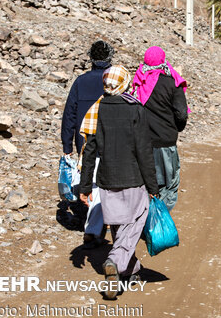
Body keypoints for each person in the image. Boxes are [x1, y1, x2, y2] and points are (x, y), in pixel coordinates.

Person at [79, 65, 158, 300]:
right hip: (133, 178)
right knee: (134, 222)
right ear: (125, 82)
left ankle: (131, 268)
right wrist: (153, 186)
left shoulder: (96, 109)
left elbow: (89, 151)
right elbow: (143, 151)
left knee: (117, 226)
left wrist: (85, 187)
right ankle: (114, 261)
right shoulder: (135, 109)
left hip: (106, 179)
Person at [61, 40, 113, 248]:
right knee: (105, 183)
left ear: (90, 58)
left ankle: (94, 224)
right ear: (110, 58)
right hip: (109, 139)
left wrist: (67, 145)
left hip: (83, 140)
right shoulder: (113, 82)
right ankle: (95, 227)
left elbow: (69, 116)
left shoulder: (80, 82)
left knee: (90, 180)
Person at [132, 46, 188, 211]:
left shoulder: (139, 81)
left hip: (142, 142)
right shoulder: (172, 83)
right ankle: (159, 222)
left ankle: (144, 217)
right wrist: (176, 129)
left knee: (147, 182)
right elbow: (181, 113)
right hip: (165, 141)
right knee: (169, 183)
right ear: (163, 60)